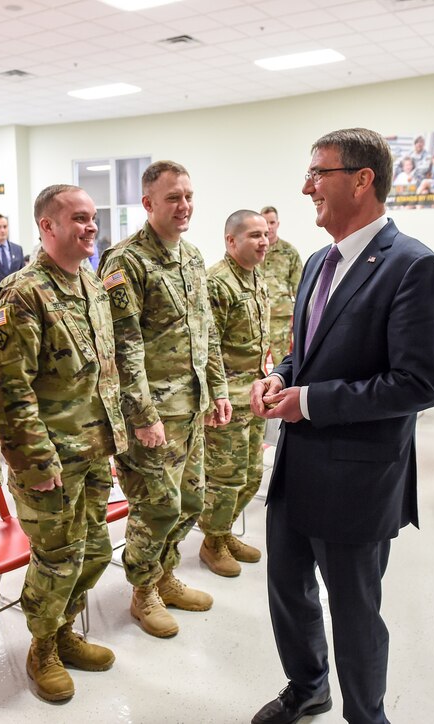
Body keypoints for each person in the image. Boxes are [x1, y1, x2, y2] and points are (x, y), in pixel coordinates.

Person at [249, 128, 434, 724]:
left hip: (359, 476)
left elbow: (419, 384)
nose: (307, 186)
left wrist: (308, 401)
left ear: (362, 179)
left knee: (355, 611)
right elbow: (308, 354)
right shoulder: (317, 262)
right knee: (287, 592)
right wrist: (282, 379)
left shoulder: (413, 266)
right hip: (297, 466)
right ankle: (308, 686)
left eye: (319, 173)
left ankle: (367, 716)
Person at [0, 184, 126, 701]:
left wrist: (111, 441)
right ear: (47, 227)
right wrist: (36, 460)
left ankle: (64, 630)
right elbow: (10, 388)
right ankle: (42, 646)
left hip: (92, 450)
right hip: (49, 459)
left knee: (93, 551)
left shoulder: (90, 285)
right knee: (57, 557)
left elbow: (103, 373)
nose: (90, 227)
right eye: (78, 218)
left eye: (93, 218)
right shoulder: (23, 294)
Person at [98, 160, 230, 638]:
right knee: (156, 507)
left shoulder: (192, 257)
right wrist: (141, 415)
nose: (184, 205)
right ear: (149, 203)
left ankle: (164, 574)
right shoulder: (126, 262)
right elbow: (122, 347)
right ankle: (143, 591)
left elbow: (206, 331)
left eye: (189, 196)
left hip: (190, 408)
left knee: (190, 500)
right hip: (153, 415)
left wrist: (217, 389)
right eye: (173, 197)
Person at [199, 209, 270, 577]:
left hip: (254, 394)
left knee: (252, 474)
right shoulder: (217, 283)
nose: (264, 241)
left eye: (266, 234)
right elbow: (208, 346)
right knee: (225, 478)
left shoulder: (257, 277)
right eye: (254, 235)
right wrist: (216, 397)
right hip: (227, 399)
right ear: (232, 241)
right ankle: (212, 541)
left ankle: (223, 532)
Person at [261, 205, 303, 366]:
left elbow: (299, 289)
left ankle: (280, 391)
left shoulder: (289, 252)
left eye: (272, 222)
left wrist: (298, 320)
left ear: (278, 224)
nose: (269, 227)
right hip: (256, 316)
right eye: (265, 223)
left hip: (281, 318)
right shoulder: (253, 250)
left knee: (281, 363)